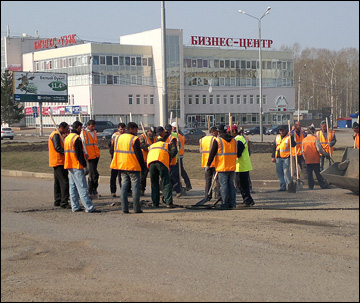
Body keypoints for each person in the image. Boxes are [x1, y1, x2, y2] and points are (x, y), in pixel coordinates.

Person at [110, 122, 147, 213]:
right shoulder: (134, 139)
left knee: (124, 187)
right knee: (135, 188)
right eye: (135, 129)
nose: (136, 131)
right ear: (131, 129)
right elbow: (139, 154)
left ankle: (124, 208)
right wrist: (143, 167)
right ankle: (136, 208)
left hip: (121, 165)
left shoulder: (118, 137)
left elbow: (112, 150)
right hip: (132, 166)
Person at [64, 121, 101, 213]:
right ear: (79, 127)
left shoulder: (67, 137)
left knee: (72, 187)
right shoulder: (76, 138)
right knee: (82, 187)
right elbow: (79, 154)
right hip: (77, 165)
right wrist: (84, 166)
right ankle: (89, 207)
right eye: (81, 128)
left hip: (69, 164)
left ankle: (75, 206)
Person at [206, 124, 241, 209]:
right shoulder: (234, 141)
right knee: (231, 185)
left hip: (222, 167)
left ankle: (225, 204)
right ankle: (233, 204)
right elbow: (239, 153)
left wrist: (208, 164)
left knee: (224, 186)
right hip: (232, 167)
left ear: (218, 131)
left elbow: (212, 154)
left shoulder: (218, 141)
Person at [147, 128, 177, 208]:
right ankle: (169, 202)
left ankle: (155, 203)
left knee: (154, 183)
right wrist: (169, 161)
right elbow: (173, 152)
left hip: (151, 163)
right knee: (166, 182)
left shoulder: (152, 145)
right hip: (161, 162)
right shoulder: (166, 144)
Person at [48, 122, 71, 209]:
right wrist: (66, 153)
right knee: (64, 181)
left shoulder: (58, 135)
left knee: (57, 182)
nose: (67, 131)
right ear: (61, 128)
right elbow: (57, 147)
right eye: (66, 129)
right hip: (59, 161)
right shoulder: (56, 135)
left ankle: (57, 200)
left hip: (57, 161)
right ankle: (64, 202)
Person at [271, 125, 297, 191]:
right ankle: (283, 187)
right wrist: (273, 156)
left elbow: (294, 145)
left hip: (286, 157)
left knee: (286, 172)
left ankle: (289, 185)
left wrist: (292, 137)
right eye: (280, 130)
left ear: (285, 130)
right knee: (279, 172)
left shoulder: (289, 137)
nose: (281, 132)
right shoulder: (277, 137)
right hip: (278, 157)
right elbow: (274, 147)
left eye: (282, 130)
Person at [234, 128, 255, 207]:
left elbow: (239, 153)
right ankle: (249, 200)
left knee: (242, 185)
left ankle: (247, 200)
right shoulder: (241, 138)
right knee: (244, 184)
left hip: (241, 165)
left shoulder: (238, 139)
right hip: (243, 164)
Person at [81, 119, 100, 200]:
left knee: (94, 174)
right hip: (89, 156)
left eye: (94, 126)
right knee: (93, 174)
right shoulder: (84, 133)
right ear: (88, 125)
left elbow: (95, 143)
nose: (93, 127)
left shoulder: (94, 132)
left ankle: (93, 189)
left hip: (96, 155)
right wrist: (85, 153)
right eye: (92, 126)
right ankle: (91, 190)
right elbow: (83, 143)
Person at [199, 126, 220, 200]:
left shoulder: (202, 140)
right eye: (217, 132)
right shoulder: (215, 139)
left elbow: (200, 151)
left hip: (205, 162)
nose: (218, 133)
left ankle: (207, 195)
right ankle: (219, 195)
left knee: (208, 180)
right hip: (214, 162)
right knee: (217, 180)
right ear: (213, 132)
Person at [171, 121, 192, 191]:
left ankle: (179, 186)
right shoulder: (181, 134)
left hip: (176, 155)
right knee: (180, 170)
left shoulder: (175, 134)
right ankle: (187, 184)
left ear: (173, 127)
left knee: (177, 171)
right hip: (181, 154)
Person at [162, 124, 181, 197]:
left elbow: (174, 150)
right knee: (165, 177)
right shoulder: (160, 138)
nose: (167, 132)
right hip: (164, 160)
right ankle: (165, 191)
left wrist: (169, 157)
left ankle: (178, 190)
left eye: (169, 130)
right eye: (166, 130)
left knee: (172, 176)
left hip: (171, 161)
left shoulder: (171, 138)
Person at [139, 126, 158, 196]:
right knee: (143, 176)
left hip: (153, 158)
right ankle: (141, 189)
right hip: (145, 159)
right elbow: (141, 145)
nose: (153, 134)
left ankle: (157, 189)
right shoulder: (143, 136)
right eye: (152, 133)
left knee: (155, 175)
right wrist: (147, 146)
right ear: (149, 131)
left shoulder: (155, 138)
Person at [109, 123, 126, 197]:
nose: (122, 130)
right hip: (115, 157)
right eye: (121, 129)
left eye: (123, 129)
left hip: (122, 157)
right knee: (114, 174)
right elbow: (111, 146)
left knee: (121, 175)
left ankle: (123, 190)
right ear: (118, 129)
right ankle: (113, 191)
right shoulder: (115, 135)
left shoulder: (126, 136)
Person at [237, 127, 254, 193]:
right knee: (239, 177)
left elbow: (248, 148)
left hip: (245, 160)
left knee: (246, 177)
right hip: (240, 161)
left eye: (242, 131)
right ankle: (239, 188)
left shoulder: (245, 138)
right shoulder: (238, 138)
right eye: (240, 131)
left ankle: (249, 188)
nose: (242, 132)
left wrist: (248, 155)